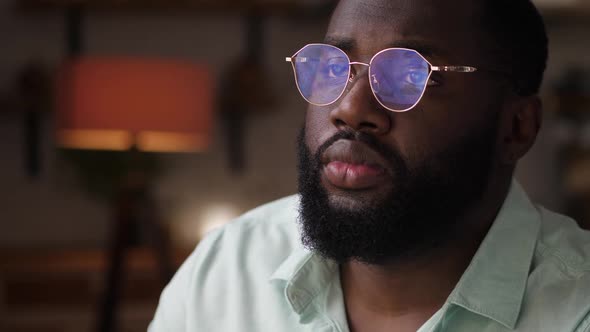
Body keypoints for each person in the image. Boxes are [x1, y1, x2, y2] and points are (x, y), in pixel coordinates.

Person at [149, 0, 590, 331]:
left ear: (516, 127)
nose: (350, 108)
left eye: (411, 75)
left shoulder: (576, 309)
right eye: (333, 67)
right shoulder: (225, 272)